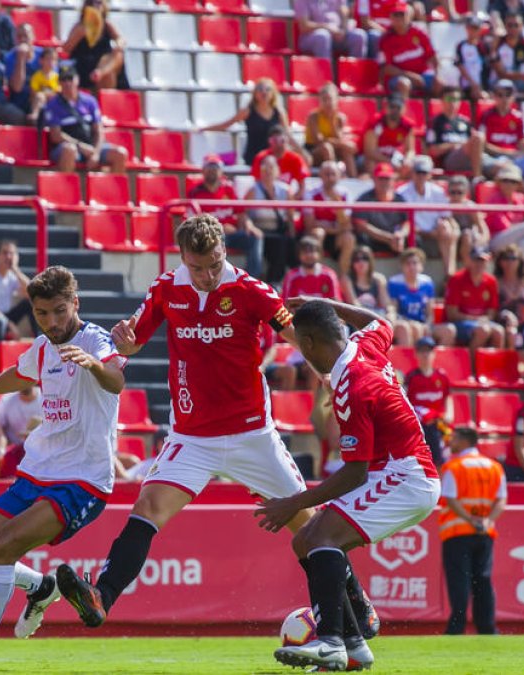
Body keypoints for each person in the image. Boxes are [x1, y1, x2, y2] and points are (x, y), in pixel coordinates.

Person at [54, 216, 381, 644]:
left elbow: (297, 335)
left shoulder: (250, 289)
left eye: (214, 264)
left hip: (253, 436)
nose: (207, 275)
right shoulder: (167, 288)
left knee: (310, 528)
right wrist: (126, 341)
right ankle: (101, 596)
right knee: (147, 509)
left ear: (224, 252)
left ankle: (355, 603)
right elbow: (132, 342)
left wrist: (328, 372)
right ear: (182, 259)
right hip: (192, 437)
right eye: (198, 267)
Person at [0, 266, 125, 673]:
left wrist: (92, 364)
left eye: (59, 311)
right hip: (38, 470)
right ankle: (41, 587)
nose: (52, 322)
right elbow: (18, 374)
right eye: (42, 314)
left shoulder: (95, 340)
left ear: (75, 303)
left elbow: (116, 380)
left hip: (82, 480)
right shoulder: (43, 346)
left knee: (4, 545)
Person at [257, 298, 440, 672]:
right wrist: (323, 303)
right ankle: (355, 644)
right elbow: (380, 321)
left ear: (307, 344)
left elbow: (354, 473)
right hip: (394, 471)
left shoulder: (353, 387)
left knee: (322, 540)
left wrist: (294, 501)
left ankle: (330, 643)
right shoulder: (362, 347)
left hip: (406, 477)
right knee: (305, 540)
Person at [438, 426, 505, 636]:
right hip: (484, 533)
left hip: (457, 532)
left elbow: (450, 498)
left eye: (455, 438)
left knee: (459, 581)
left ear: (465, 440)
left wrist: (469, 519)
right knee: (482, 580)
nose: (451, 441)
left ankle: (456, 627)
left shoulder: (453, 467)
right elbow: (501, 499)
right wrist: (486, 521)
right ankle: (487, 627)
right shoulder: (494, 467)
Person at [43, 67, 127, 174]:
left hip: (91, 144)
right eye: (63, 79)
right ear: (59, 82)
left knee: (120, 153)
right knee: (69, 150)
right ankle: (67, 189)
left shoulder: (90, 101)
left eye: (70, 78)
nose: (67, 83)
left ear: (77, 80)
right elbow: (55, 136)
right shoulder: (53, 104)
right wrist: (80, 146)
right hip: (69, 145)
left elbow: (99, 131)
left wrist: (96, 153)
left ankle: (114, 190)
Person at [200, 77, 289, 168]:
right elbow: (226, 124)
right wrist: (205, 128)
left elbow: (288, 135)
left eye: (268, 89)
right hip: (253, 158)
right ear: (255, 93)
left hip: (274, 159)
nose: (264, 92)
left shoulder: (279, 112)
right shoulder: (247, 111)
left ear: (273, 93)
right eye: (260, 89)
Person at [437, 247, 505, 349]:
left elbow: (492, 311)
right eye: (476, 260)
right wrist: (475, 319)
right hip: (459, 324)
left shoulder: (491, 281)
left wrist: (485, 319)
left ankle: (494, 364)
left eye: (483, 261)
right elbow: (452, 314)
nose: (479, 264)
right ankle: (471, 364)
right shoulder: (457, 279)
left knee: (499, 332)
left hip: (482, 322)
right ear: (469, 261)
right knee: (483, 331)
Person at [242, 154, 295, 283]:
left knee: (286, 244)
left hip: (277, 231)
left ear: (277, 171)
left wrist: (293, 237)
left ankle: (276, 282)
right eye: (265, 168)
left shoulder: (286, 191)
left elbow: (290, 216)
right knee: (263, 242)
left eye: (271, 167)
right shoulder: (253, 190)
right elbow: (244, 214)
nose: (268, 171)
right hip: (258, 230)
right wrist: (250, 227)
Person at [62, 0, 128, 92]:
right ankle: (100, 74)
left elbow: (120, 39)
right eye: (93, 3)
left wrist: (118, 43)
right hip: (85, 66)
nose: (96, 6)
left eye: (99, 3)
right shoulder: (79, 26)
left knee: (117, 54)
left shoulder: (107, 25)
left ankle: (100, 72)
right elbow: (66, 49)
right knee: (108, 74)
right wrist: (79, 35)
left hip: (102, 66)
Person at [404, 336, 450, 468]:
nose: (425, 355)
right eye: (422, 351)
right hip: (418, 427)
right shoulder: (411, 377)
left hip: (438, 426)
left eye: (428, 351)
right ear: (416, 354)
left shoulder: (442, 376)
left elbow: (447, 397)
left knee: (440, 460)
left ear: (434, 354)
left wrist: (449, 414)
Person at [302, 161, 355, 273]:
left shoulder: (345, 194)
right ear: (320, 175)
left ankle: (343, 277)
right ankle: (318, 274)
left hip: (336, 239)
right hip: (318, 237)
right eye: (327, 174)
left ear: (339, 176)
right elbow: (310, 225)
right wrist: (336, 228)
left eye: (333, 174)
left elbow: (347, 226)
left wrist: (338, 205)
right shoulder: (311, 193)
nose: (330, 178)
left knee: (349, 239)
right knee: (318, 233)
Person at [378, 3, 438, 99]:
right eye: (395, 15)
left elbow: (432, 56)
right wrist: (411, 76)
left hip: (422, 75)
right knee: (404, 84)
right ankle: (404, 111)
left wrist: (437, 74)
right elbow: (386, 68)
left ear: (408, 16)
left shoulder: (419, 33)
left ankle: (435, 111)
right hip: (398, 78)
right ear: (391, 18)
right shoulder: (385, 39)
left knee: (440, 84)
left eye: (402, 14)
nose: (399, 18)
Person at [427, 86, 487, 178]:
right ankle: (477, 178)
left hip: (471, 158)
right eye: (449, 98)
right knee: (478, 138)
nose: (453, 102)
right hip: (449, 160)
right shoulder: (435, 122)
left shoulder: (465, 122)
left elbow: (476, 144)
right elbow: (433, 150)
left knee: (501, 166)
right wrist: (454, 145)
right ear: (442, 100)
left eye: (456, 99)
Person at [437, 176, 490, 276]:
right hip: (451, 242)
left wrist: (479, 242)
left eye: (459, 192)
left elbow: (484, 230)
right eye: (453, 192)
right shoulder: (444, 206)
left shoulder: (470, 207)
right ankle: (451, 274)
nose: (456, 196)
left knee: (467, 235)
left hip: (469, 242)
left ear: (465, 193)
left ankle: (468, 274)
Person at [352, 163, 409, 254]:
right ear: (374, 180)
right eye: (381, 178)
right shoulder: (364, 199)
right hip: (374, 239)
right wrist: (388, 238)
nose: (384, 182)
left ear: (393, 180)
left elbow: (407, 223)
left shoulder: (399, 199)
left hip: (395, 240)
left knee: (414, 241)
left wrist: (401, 235)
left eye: (387, 179)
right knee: (362, 239)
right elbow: (361, 226)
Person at [305, 83, 357, 176]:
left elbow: (339, 137)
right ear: (320, 101)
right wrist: (341, 144)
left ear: (336, 100)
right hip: (314, 151)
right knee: (327, 148)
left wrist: (332, 121)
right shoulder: (313, 117)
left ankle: (353, 178)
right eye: (324, 100)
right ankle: (332, 176)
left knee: (347, 151)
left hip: (334, 147)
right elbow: (318, 141)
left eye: (330, 99)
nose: (328, 103)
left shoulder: (339, 118)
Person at [387, 248, 434, 346]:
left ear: (421, 266)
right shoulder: (395, 283)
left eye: (415, 263)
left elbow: (430, 314)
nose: (412, 267)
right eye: (408, 263)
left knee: (448, 331)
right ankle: (410, 360)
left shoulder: (427, 283)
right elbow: (393, 309)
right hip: (402, 321)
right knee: (413, 328)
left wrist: (428, 325)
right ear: (402, 266)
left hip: (421, 321)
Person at [493, 245, 524, 346]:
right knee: (511, 333)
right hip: (503, 323)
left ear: (520, 261)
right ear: (500, 262)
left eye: (513, 258)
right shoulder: (495, 283)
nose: (509, 262)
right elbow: (491, 309)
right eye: (505, 258)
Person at [361, 95, 416, 178]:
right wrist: (389, 162)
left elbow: (410, 150)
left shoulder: (407, 126)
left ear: (403, 109)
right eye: (392, 107)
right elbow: (370, 152)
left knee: (412, 167)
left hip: (394, 157)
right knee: (371, 162)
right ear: (386, 107)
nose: (395, 110)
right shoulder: (375, 123)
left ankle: (397, 185)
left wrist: (407, 160)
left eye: (398, 107)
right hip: (375, 158)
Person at [492, 10, 524, 96]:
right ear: (505, 26)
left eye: (516, 25)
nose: (513, 29)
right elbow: (500, 73)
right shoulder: (498, 43)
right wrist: (523, 76)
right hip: (500, 81)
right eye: (510, 25)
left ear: (521, 26)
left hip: (521, 80)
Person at [296, 0, 367, 59]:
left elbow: (344, 11)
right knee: (323, 36)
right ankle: (326, 74)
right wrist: (327, 28)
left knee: (359, 35)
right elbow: (304, 26)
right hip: (312, 37)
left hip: (338, 34)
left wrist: (343, 30)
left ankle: (355, 73)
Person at [250, 125, 309, 195]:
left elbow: (302, 186)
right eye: (275, 140)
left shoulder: (295, 159)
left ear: (287, 141)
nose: (279, 144)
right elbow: (258, 186)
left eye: (282, 140)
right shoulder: (261, 158)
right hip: (265, 199)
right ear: (270, 141)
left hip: (286, 198)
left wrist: (292, 201)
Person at [479, 79, 524, 166]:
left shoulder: (518, 118)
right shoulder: (486, 116)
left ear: (513, 97)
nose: (504, 99)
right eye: (500, 95)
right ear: (494, 96)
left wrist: (514, 155)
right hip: (492, 158)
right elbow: (484, 145)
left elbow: (522, 148)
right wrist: (505, 153)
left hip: (513, 158)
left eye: (508, 95)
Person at [283, 236, 342, 303]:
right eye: (305, 252)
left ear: (319, 254)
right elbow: (286, 303)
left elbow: (337, 302)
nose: (309, 255)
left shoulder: (329, 275)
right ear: (299, 255)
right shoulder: (291, 276)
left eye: (312, 251)